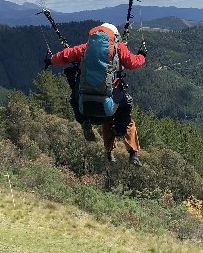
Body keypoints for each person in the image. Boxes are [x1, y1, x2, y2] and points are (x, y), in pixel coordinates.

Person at [45, 22, 147, 166]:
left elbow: (65, 55)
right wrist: (142, 55)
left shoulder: (85, 48)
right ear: (114, 36)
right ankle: (133, 153)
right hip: (108, 103)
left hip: (84, 106)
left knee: (105, 117)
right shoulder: (119, 48)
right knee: (124, 110)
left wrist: (50, 60)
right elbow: (134, 62)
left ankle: (107, 151)